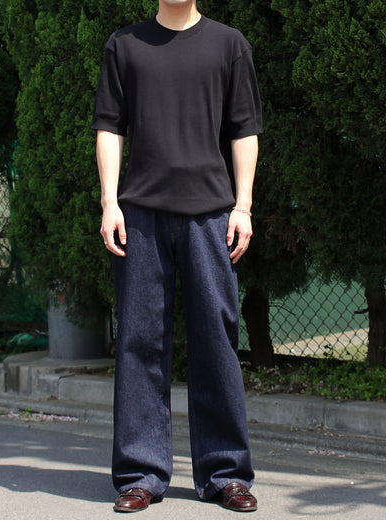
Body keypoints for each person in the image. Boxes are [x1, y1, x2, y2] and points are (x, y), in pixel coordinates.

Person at [92, 0, 263, 513]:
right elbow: (109, 127)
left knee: (216, 342)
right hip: (140, 215)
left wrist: (243, 206)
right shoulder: (125, 45)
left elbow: (244, 129)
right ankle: (140, 474)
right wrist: (109, 202)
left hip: (211, 216)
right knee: (139, 343)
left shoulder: (229, 45)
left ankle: (226, 473)